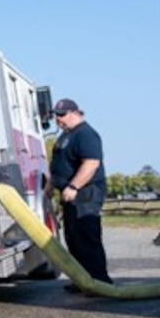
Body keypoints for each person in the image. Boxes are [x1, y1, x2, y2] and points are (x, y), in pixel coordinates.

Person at [45, 98, 113, 290]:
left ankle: (100, 282)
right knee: (73, 238)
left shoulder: (86, 134)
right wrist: (51, 184)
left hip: (86, 192)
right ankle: (83, 280)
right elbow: (60, 164)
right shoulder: (65, 135)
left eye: (62, 115)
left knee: (87, 235)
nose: (58, 119)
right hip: (70, 193)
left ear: (75, 113)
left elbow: (91, 164)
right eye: (56, 115)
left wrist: (74, 187)